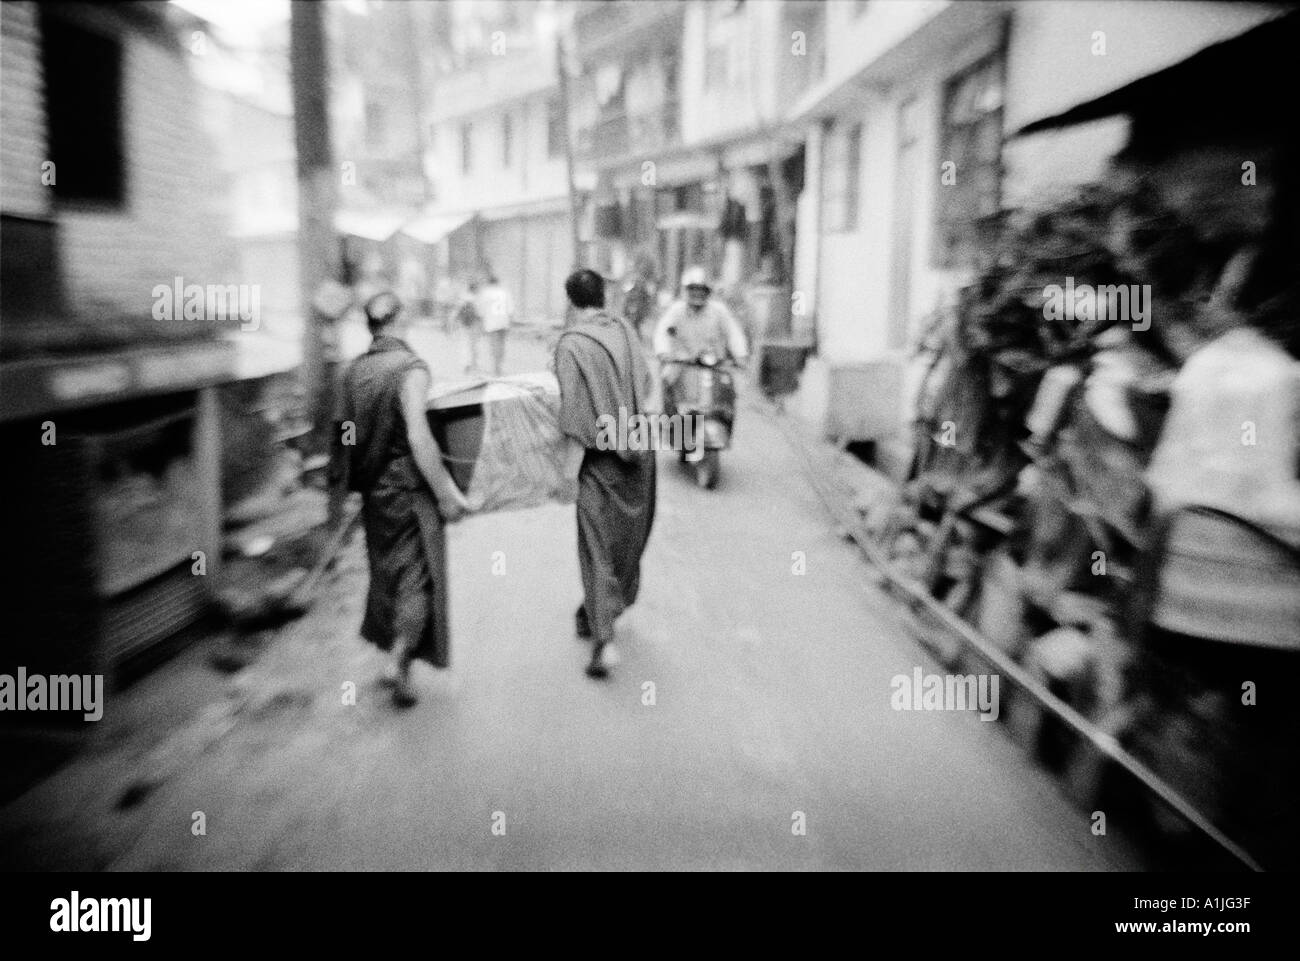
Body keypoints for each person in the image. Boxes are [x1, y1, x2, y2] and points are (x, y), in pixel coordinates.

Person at [332, 291, 470, 707]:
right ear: (395, 322)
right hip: (411, 492)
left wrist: (347, 488)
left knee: (387, 574)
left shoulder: (352, 373)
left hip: (375, 493)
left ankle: (400, 664)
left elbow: (344, 436)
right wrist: (446, 493)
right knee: (418, 578)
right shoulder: (410, 369)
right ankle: (398, 659)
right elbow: (419, 437)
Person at [553, 269, 657, 679]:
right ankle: (596, 611)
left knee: (597, 550)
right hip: (639, 452)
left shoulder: (572, 344)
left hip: (600, 462)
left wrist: (567, 474)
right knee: (624, 546)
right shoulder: (626, 330)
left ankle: (604, 642)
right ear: (603, 296)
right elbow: (646, 385)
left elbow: (577, 415)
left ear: (571, 302)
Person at [652, 267, 749, 418]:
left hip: (714, 366)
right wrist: (663, 352)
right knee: (666, 379)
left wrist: (740, 355)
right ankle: (669, 426)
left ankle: (724, 422)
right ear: (687, 290)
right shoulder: (676, 311)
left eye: (701, 289)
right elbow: (662, 331)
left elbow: (733, 332)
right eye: (693, 289)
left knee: (730, 388)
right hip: (682, 364)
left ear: (708, 292)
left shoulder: (718, 311)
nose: (697, 293)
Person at [476, 274, 514, 376]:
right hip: (503, 321)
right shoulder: (505, 292)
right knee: (501, 344)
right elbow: (510, 309)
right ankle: (499, 366)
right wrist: (510, 321)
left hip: (491, 322)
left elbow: (480, 310)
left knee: (493, 345)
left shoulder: (486, 293)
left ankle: (495, 367)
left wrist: (481, 321)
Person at [456, 279, 482, 373]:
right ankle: (475, 364)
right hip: (474, 323)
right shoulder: (478, 298)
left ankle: (466, 363)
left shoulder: (463, 297)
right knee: (475, 344)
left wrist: (455, 322)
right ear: (476, 289)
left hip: (464, 323)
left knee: (465, 343)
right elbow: (480, 313)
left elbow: (458, 311)